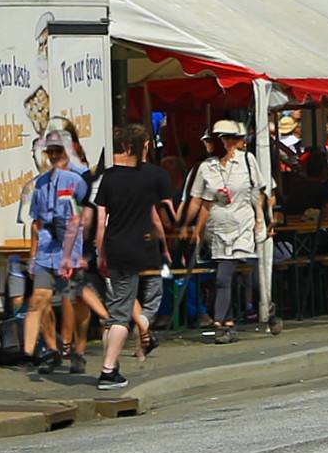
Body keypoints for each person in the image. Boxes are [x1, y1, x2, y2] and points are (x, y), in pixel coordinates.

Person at [89, 126, 177, 390]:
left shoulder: (108, 178)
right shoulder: (153, 176)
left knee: (116, 306)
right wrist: (167, 244)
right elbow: (167, 215)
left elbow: (102, 224)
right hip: (139, 247)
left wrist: (101, 253)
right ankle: (107, 371)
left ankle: (112, 366)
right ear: (140, 147)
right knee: (120, 315)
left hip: (115, 247)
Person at [184, 118, 272, 344]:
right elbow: (201, 201)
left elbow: (259, 192)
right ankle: (226, 322)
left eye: (232, 138)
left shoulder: (248, 161)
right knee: (226, 275)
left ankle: (259, 308)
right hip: (217, 229)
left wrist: (263, 219)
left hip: (244, 225)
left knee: (241, 274)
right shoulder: (206, 168)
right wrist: (187, 224)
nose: (230, 143)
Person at [23, 133, 92, 376]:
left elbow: (85, 215)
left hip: (73, 249)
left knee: (76, 302)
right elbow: (37, 222)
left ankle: (79, 351)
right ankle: (52, 351)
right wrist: (33, 257)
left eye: (58, 151)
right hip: (47, 249)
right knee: (40, 299)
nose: (53, 156)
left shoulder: (79, 178)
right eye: (49, 152)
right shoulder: (41, 183)